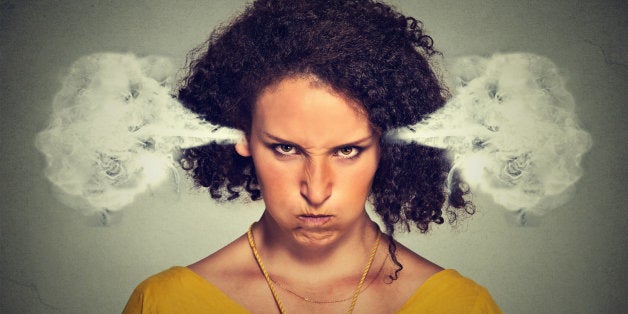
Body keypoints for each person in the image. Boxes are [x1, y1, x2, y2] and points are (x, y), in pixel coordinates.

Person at [123, 0, 501, 312]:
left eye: (347, 150)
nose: (316, 191)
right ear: (241, 135)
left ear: (387, 146)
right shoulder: (166, 303)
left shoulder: (460, 305)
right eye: (286, 148)